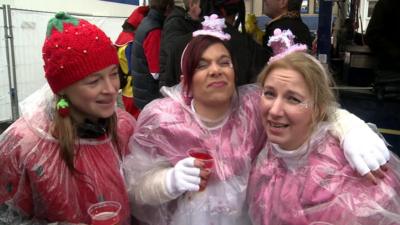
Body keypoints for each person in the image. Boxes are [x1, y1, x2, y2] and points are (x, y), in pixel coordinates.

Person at [123, 16, 390, 225]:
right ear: (186, 79)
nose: (216, 70)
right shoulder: (165, 119)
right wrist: (168, 181)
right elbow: (136, 187)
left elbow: (310, 106)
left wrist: (351, 128)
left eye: (224, 62)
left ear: (234, 71)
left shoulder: (251, 107)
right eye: (202, 65)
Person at [248, 30, 400, 225]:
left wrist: (349, 125)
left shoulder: (348, 173)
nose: (275, 110)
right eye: (269, 93)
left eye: (293, 99)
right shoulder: (264, 152)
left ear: (318, 108)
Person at [0, 12, 136, 224]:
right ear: (62, 88)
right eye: (93, 81)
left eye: (113, 74)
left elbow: (139, 194)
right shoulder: (24, 145)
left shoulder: (124, 127)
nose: (111, 89)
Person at [130, 0, 174, 110]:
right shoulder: (155, 30)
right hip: (149, 96)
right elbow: (156, 71)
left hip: (143, 92)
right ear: (168, 8)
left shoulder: (146, 21)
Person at [159, 0, 202, 89]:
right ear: (192, 5)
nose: (201, 10)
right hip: (174, 85)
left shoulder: (187, 21)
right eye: (200, 6)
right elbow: (174, 53)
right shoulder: (176, 22)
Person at [115, 6, 149, 119]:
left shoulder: (122, 38)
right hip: (134, 90)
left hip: (127, 89)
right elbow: (135, 67)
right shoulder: (131, 43)